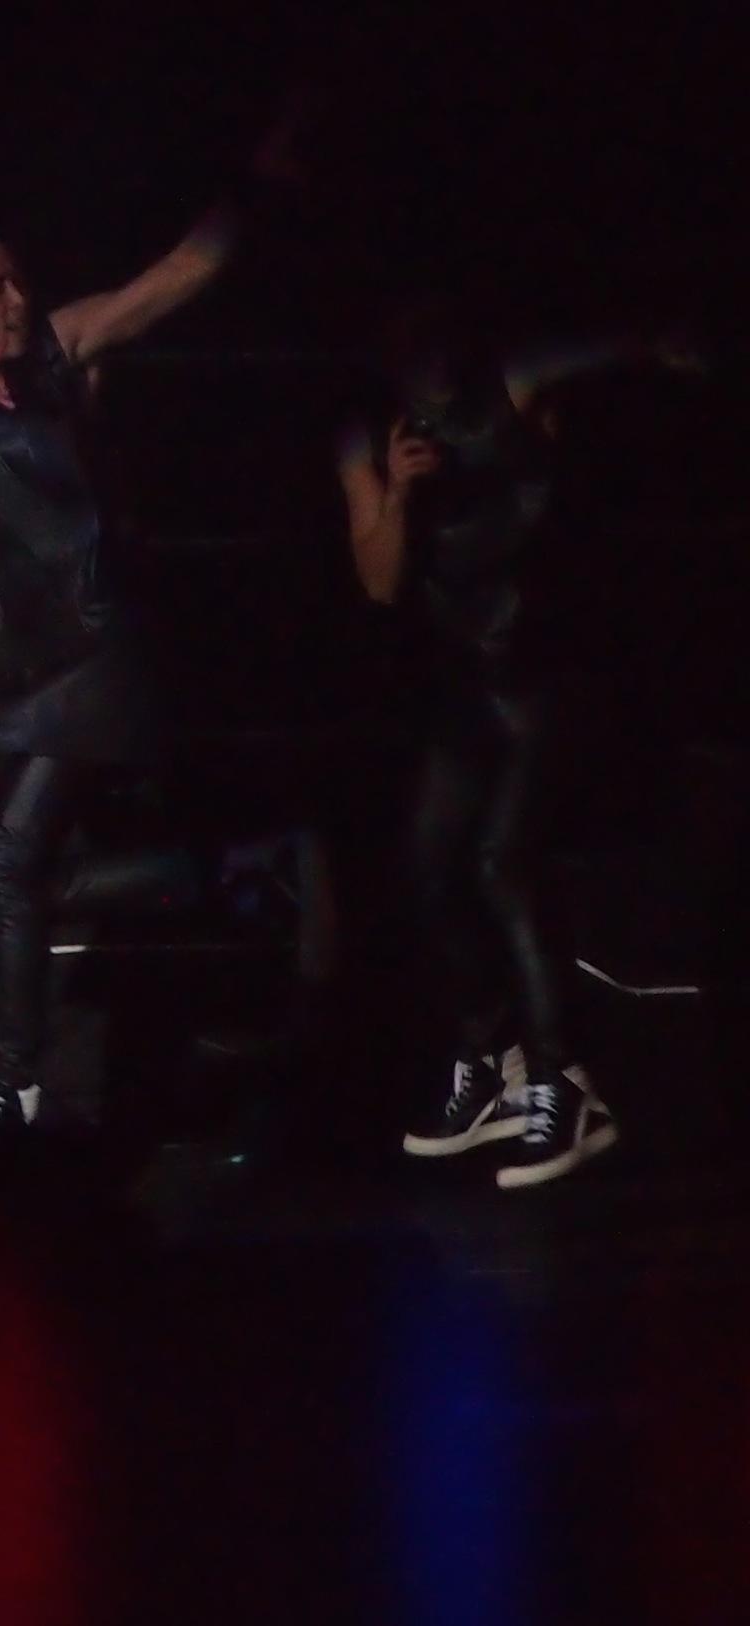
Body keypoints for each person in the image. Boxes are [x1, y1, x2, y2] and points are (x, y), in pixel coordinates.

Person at [0, 131, 297, 1189]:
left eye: (18, 280)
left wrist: (255, 179)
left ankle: (8, 1089)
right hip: (34, 667)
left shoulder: (62, 351)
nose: (18, 298)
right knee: (33, 874)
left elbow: (185, 272)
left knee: (4, 866)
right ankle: (235, 867)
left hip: (105, 642)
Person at [338, 299, 696, 1188]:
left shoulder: (514, 380)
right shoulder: (366, 434)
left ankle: (563, 1082)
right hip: (461, 683)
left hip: (546, 669)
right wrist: (401, 491)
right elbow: (379, 584)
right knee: (428, 867)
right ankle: (488, 1056)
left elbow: (623, 346)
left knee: (503, 861)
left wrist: (668, 345)